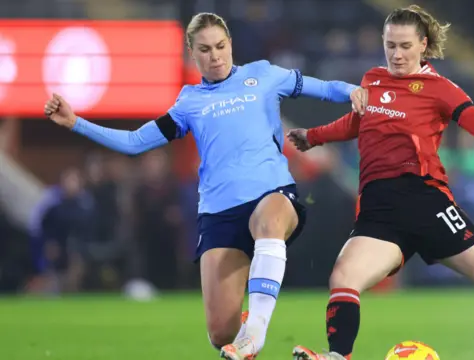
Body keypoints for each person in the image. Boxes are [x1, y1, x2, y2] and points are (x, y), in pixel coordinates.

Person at [43, 12, 367, 360]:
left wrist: (354, 91)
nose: (215, 56)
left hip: (273, 193)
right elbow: (135, 142)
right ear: (192, 54)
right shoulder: (188, 103)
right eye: (205, 49)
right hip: (219, 213)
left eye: (221, 46)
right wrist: (76, 122)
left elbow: (325, 88)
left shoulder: (264, 75)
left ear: (231, 44)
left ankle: (254, 334)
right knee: (220, 333)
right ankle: (242, 332)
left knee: (270, 221)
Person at [287, 5, 474, 360]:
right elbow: (356, 122)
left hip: (426, 200)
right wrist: (313, 136)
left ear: (423, 44)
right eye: (390, 45)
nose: (396, 54)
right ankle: (336, 357)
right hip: (379, 208)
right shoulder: (372, 79)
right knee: (344, 276)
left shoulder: (440, 89)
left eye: (405, 45)